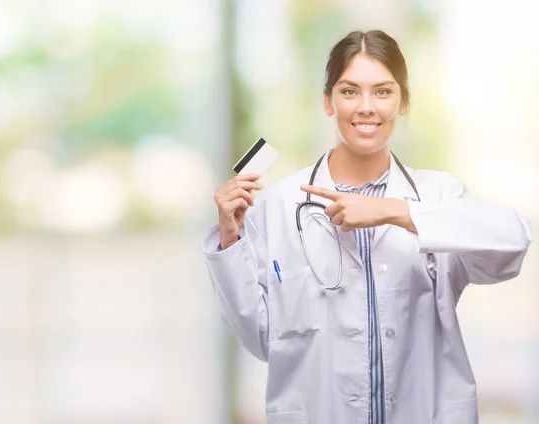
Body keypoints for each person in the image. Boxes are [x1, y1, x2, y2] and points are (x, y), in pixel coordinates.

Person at [201, 30, 532, 424]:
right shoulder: (278, 206)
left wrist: (394, 211)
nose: (366, 107)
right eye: (349, 91)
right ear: (328, 101)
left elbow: (513, 241)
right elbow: (258, 338)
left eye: (383, 91)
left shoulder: (438, 195)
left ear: (403, 102)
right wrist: (229, 237)